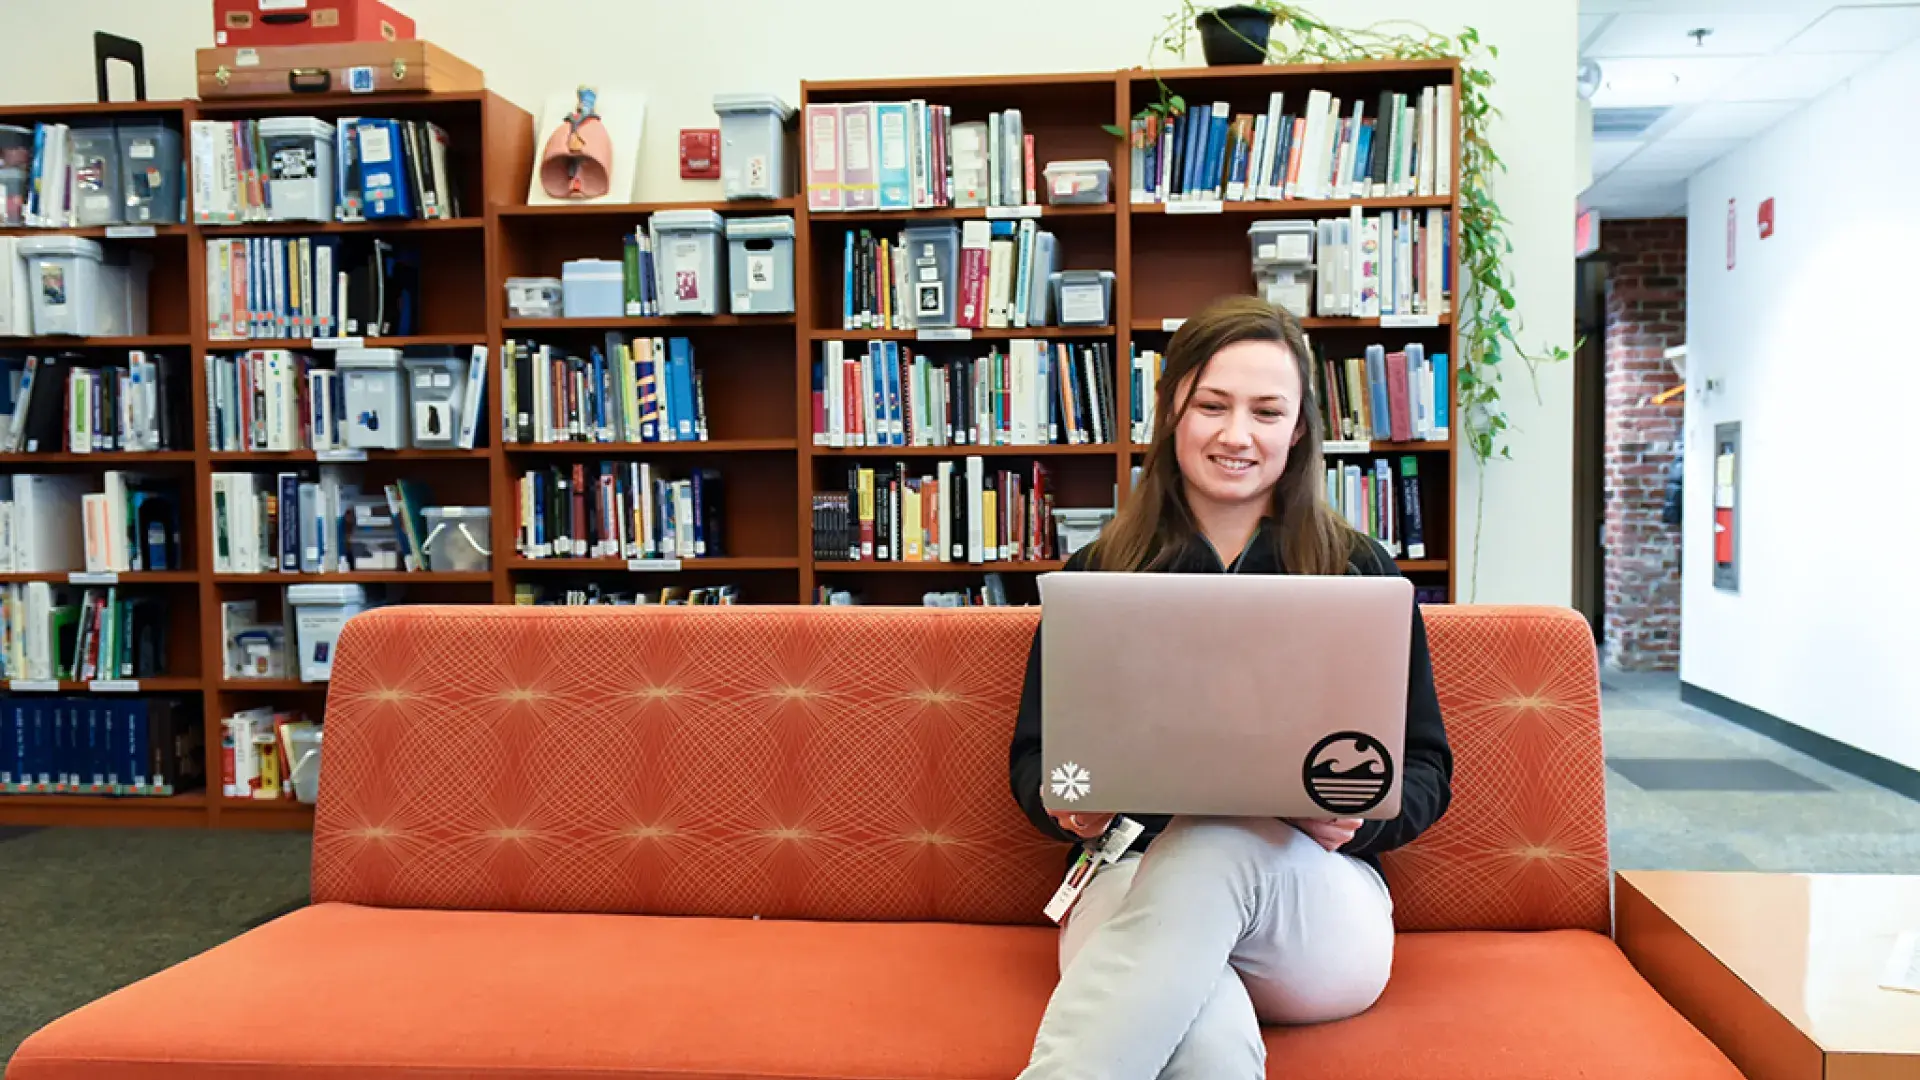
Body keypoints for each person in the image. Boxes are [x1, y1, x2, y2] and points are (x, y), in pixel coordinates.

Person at [1006, 295, 1453, 1080]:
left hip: (1313, 907)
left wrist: (1359, 820)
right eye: (1212, 405)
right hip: (1131, 881)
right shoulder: (1100, 577)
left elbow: (1424, 767)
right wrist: (1065, 802)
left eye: (1267, 411)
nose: (1237, 435)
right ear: (1173, 411)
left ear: (1300, 429)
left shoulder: (1357, 573)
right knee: (1200, 1034)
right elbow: (1036, 755)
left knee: (1215, 840)